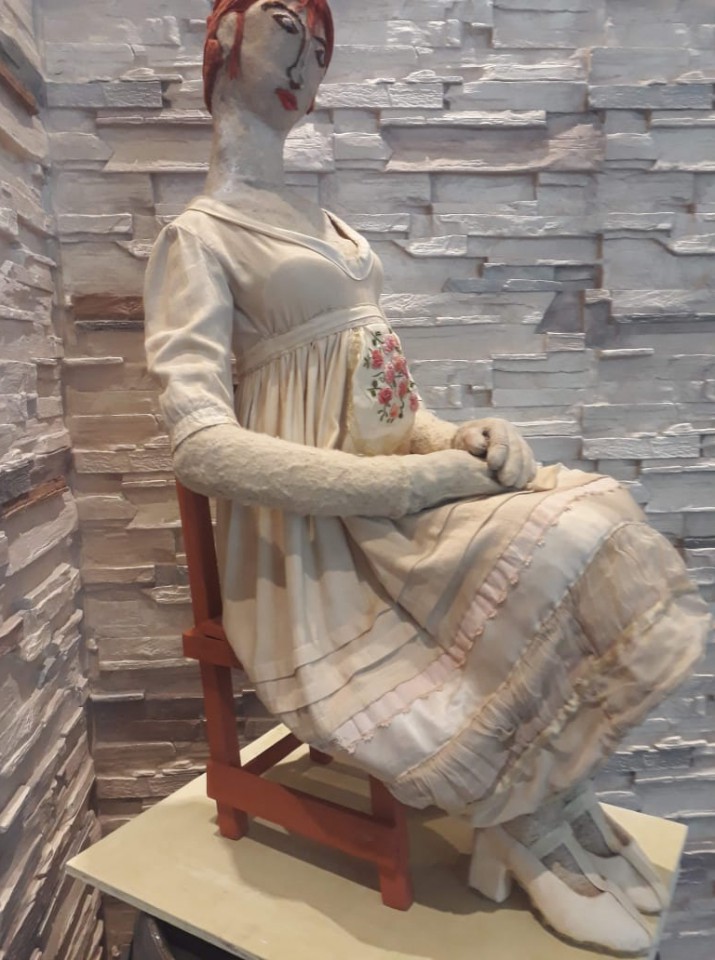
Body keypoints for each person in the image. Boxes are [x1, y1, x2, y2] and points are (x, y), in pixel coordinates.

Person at [143, 1, 711, 953]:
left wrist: (461, 435)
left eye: (323, 50)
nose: (307, 64)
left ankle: (547, 792)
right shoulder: (199, 239)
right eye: (286, 31)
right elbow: (198, 445)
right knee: (564, 540)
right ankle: (518, 814)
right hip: (310, 549)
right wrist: (402, 488)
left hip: (388, 503)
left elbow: (387, 412)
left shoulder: (328, 226)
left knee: (593, 508)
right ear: (222, 41)